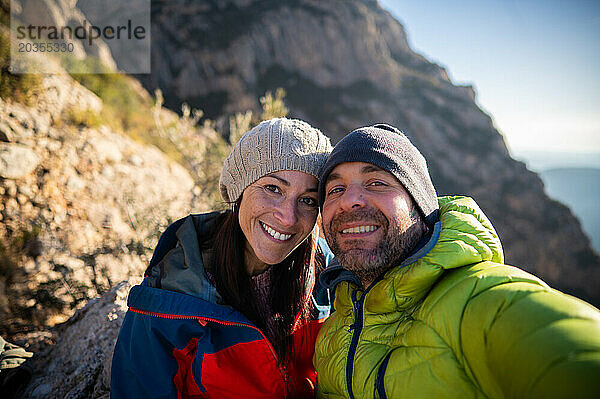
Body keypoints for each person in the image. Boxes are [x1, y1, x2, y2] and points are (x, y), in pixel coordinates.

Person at [313, 123, 600, 398]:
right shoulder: (331, 330)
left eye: (376, 182)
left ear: (420, 209)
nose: (350, 200)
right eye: (335, 189)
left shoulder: (479, 299)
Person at [111, 118, 333, 398]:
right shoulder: (173, 293)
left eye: (309, 200)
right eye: (273, 188)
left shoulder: (331, 277)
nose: (288, 218)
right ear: (238, 191)